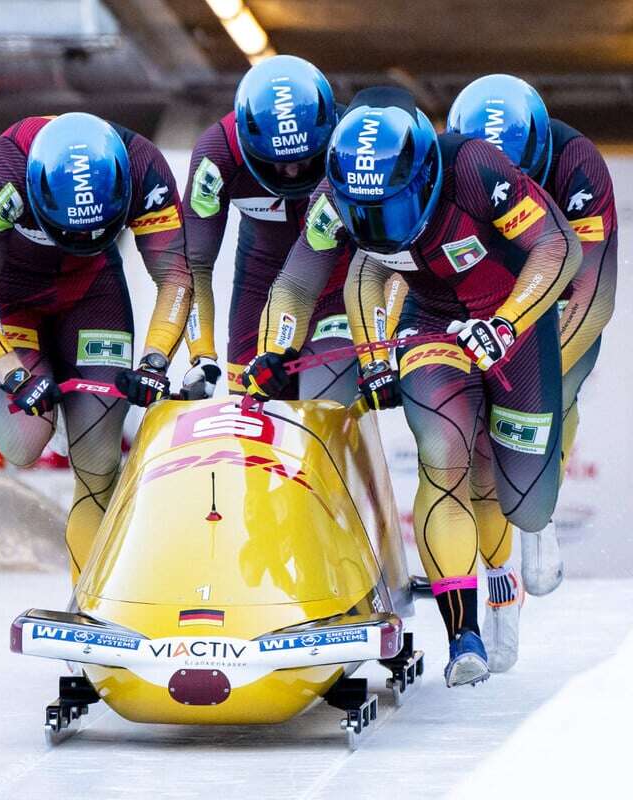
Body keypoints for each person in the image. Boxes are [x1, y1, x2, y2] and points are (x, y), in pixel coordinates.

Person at [241, 87, 580, 687]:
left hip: (517, 322)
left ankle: (504, 572)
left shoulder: (477, 169)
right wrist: (276, 351)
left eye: (392, 208)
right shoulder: (334, 199)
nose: (379, 227)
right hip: (432, 323)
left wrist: (507, 323)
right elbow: (297, 284)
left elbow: (557, 247)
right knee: (442, 453)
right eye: (364, 212)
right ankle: (463, 633)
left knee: (518, 496)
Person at [0, 112, 192, 583]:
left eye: (93, 231)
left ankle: (94, 600)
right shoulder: (5, 171)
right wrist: (14, 374)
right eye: (70, 231)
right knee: (23, 441)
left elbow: (176, 276)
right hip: (13, 303)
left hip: (91, 297)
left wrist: (156, 358)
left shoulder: (143, 169)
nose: (81, 240)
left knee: (98, 464)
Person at [444, 74, 618, 670]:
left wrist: (533, 366)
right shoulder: (456, 165)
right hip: (480, 304)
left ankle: (538, 516)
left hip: (557, 307)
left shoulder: (580, 170)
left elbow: (592, 292)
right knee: (476, 458)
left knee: (544, 403)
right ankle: (498, 594)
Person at [182, 54, 355, 403]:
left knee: (322, 407)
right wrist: (202, 354)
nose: (292, 173)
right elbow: (192, 266)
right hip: (261, 278)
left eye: (306, 159)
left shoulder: (355, 141)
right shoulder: (217, 153)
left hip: (338, 283)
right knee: (250, 402)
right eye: (277, 163)